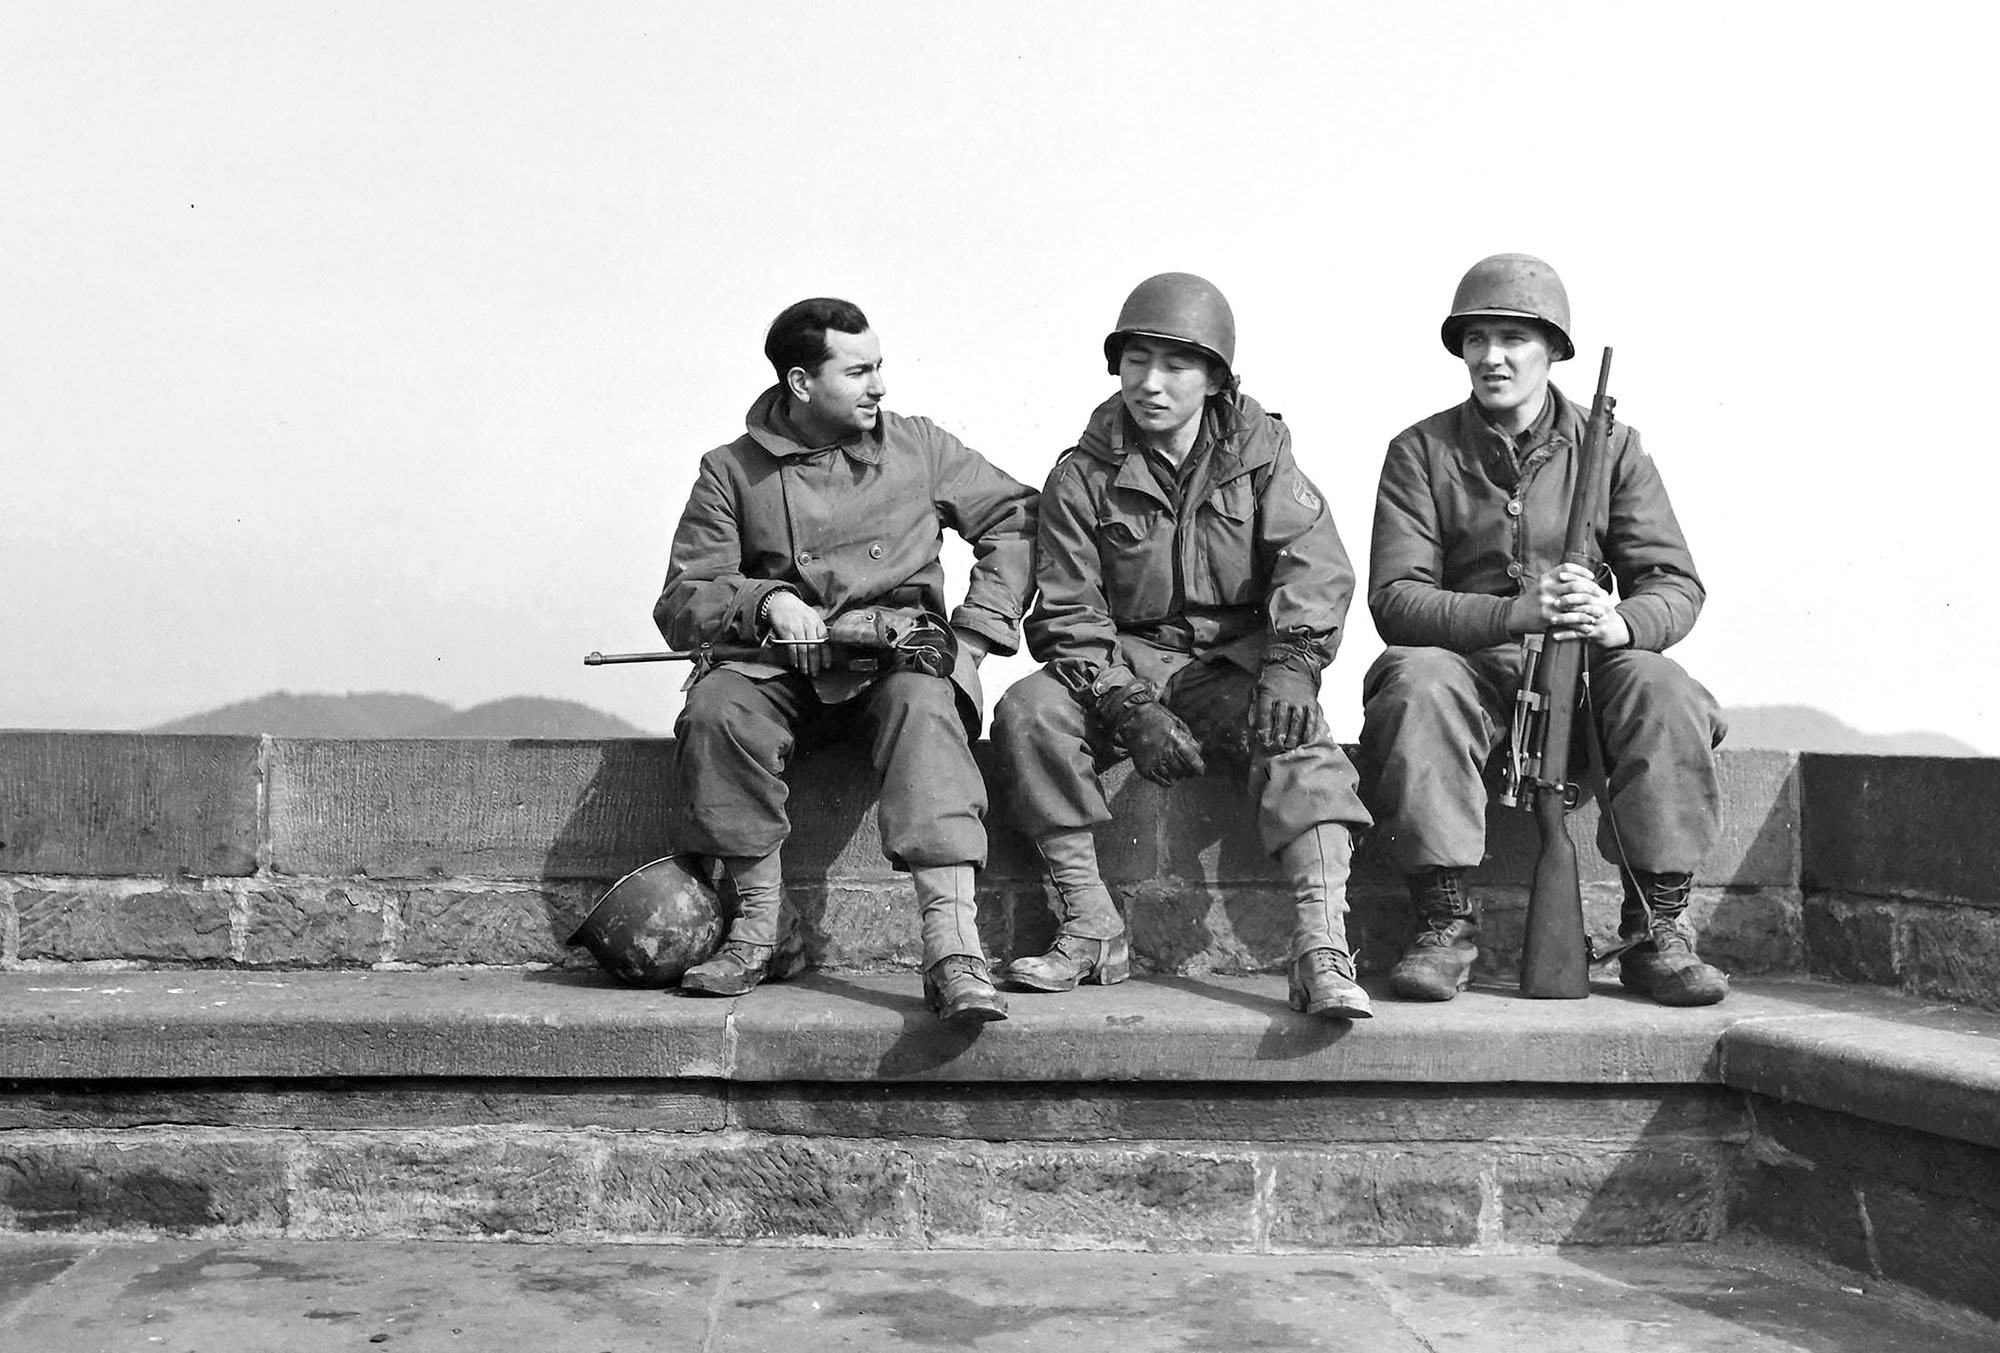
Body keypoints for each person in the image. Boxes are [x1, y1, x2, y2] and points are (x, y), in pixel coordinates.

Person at [991, 273, 1374, 1021]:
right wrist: (1126, 703)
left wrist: (1293, 665)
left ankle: (1321, 946)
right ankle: (1090, 925)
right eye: (1136, 361)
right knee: (1030, 711)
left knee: (1300, 741)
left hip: (1229, 662)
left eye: (1175, 366)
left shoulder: (1262, 456)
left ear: (1216, 379)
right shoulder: (1083, 474)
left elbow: (1314, 561)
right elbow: (1069, 607)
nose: (1152, 383)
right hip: (1123, 661)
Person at [654, 297, 1037, 1024]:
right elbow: (684, 597)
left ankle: (954, 948)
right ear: (802, 383)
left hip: (899, 661)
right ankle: (761, 931)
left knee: (927, 706)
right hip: (783, 675)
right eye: (858, 371)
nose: (880, 387)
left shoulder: (919, 446)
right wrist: (767, 602)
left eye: (880, 367)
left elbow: (1016, 518)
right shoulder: (730, 472)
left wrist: (977, 635)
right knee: (716, 708)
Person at [1360, 253, 1728, 1007]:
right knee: (1415, 677)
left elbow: (1677, 584)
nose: (1492, 357)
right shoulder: (1421, 451)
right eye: (1476, 340)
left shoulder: (1613, 446)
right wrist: (1512, 615)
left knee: (1664, 687)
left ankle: (1656, 925)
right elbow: (1395, 599)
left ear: (1553, 350)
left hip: (1587, 674)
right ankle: (1444, 924)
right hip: (1474, 673)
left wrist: (1618, 621)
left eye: (1513, 339)